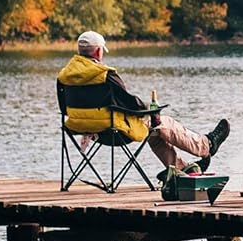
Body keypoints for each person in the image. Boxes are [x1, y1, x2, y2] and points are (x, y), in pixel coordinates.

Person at [57, 30, 230, 175]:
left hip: (82, 129)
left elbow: (64, 109)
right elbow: (130, 103)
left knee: (155, 130)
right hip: (114, 131)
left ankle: (183, 169)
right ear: (97, 52)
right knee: (162, 123)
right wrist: (148, 109)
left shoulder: (64, 76)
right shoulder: (105, 75)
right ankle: (207, 145)